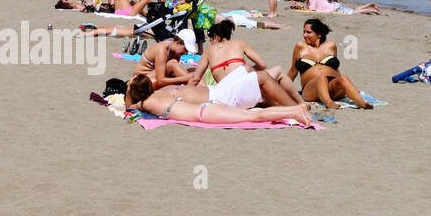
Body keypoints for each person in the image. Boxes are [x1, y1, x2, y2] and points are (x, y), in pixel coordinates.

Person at [183, 19, 303, 108]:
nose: (211, 43)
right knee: (279, 71)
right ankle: (300, 103)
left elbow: (196, 78)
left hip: (228, 94)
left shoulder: (209, 51)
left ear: (215, 37)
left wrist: (184, 94)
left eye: (211, 40)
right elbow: (262, 64)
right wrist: (248, 70)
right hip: (242, 89)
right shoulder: (239, 43)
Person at [124, 75, 312, 126]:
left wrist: (128, 90)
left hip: (205, 113)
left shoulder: (144, 103)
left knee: (255, 116)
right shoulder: (158, 94)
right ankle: (295, 110)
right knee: (253, 115)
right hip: (208, 107)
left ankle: (295, 110)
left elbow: (128, 107)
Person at [288, 18, 372, 109]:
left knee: (343, 78)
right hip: (311, 88)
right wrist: (281, 87)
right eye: (304, 32)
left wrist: (344, 85)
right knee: (321, 78)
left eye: (308, 32)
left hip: (332, 85)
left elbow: (335, 69)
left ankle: (361, 103)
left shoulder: (331, 46)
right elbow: (293, 71)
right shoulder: (300, 46)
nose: (304, 35)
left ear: (319, 34)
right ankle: (329, 103)